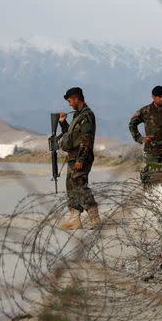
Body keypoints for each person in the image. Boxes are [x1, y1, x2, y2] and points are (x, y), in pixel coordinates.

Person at [58, 86, 100, 230]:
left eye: (70, 100)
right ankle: (75, 219)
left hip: (80, 158)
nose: (69, 104)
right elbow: (72, 138)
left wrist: (80, 159)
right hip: (73, 157)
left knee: (80, 186)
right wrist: (63, 124)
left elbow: (86, 140)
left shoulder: (87, 115)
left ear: (76, 99)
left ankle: (94, 217)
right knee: (71, 186)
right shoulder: (77, 115)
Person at [128, 85, 162, 166]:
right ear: (153, 97)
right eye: (159, 97)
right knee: (152, 176)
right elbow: (132, 124)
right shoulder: (145, 111)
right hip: (151, 151)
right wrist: (140, 138)